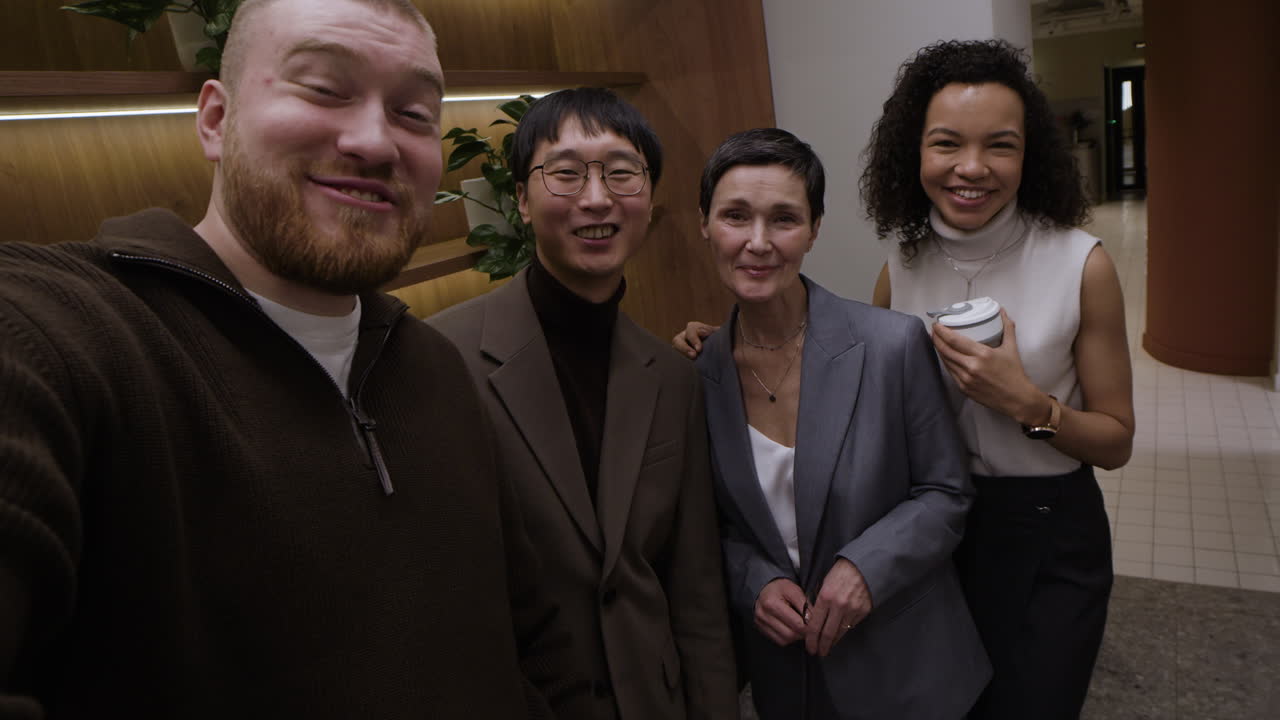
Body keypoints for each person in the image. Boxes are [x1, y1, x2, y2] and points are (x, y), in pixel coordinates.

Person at [0, 1, 592, 717]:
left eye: (413, 113)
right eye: (323, 88)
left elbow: (535, 640)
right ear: (216, 120)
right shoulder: (62, 334)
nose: (376, 141)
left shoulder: (438, 370)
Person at [428, 88, 739, 720]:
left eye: (622, 173)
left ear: (649, 199)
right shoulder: (441, 357)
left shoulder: (672, 378)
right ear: (520, 197)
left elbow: (695, 588)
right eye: (566, 173)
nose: (596, 199)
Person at [861, 40, 1135, 719]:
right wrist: (739, 346)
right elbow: (864, 398)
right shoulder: (900, 267)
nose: (972, 168)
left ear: (1030, 154)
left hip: (1050, 534)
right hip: (937, 528)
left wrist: (1029, 405)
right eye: (947, 143)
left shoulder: (1081, 264)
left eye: (1001, 146)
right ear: (914, 152)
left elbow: (1116, 441)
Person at [680, 127, 989, 719]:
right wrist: (754, 582)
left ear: (815, 229)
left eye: (785, 219)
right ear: (705, 223)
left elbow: (946, 493)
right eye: (736, 216)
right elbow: (703, 526)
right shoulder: (695, 377)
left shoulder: (891, 347)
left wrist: (864, 566)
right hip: (788, 674)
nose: (758, 242)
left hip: (904, 665)